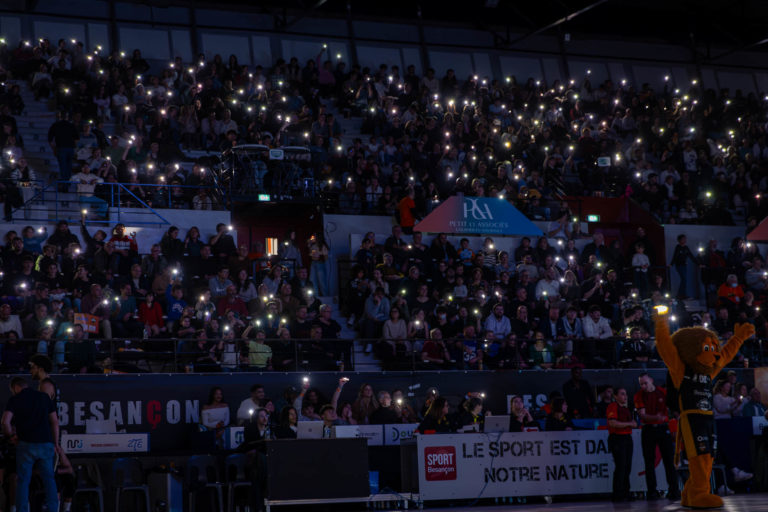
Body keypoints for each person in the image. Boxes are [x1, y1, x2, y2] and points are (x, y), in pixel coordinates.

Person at [2, 377, 59, 512]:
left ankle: (22, 510)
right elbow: (55, 422)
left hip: (26, 445)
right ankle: (53, 509)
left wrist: (10, 436)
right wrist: (55, 443)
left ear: (15, 388)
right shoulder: (44, 398)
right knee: (49, 480)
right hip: (46, 444)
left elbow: (5, 422)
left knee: (23, 481)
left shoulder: (15, 399)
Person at [634, 373, 679, 500]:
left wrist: (676, 415)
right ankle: (652, 491)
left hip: (663, 428)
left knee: (669, 460)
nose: (644, 386)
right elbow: (642, 415)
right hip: (648, 429)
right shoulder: (639, 395)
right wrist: (657, 417)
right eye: (641, 384)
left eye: (645, 383)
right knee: (649, 461)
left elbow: (672, 407)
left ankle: (674, 490)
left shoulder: (662, 392)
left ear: (651, 381)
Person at [607, 387, 636, 502]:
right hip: (618, 438)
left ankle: (626, 491)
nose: (625, 396)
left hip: (627, 437)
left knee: (627, 466)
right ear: (616, 396)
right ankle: (618, 493)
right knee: (621, 466)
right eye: (622, 394)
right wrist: (629, 423)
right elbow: (612, 422)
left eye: (626, 394)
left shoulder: (626, 408)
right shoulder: (613, 407)